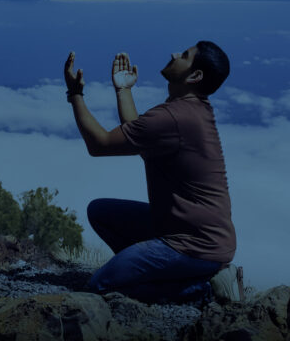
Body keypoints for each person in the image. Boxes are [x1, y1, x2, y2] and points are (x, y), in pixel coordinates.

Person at [63, 42, 236, 304]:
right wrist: (123, 90)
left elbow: (99, 145)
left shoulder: (175, 117)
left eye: (185, 55)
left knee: (99, 288)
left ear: (194, 76)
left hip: (196, 246)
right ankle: (157, 275)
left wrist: (75, 94)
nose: (174, 54)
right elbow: (138, 134)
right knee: (101, 212)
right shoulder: (187, 112)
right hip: (185, 232)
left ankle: (201, 291)